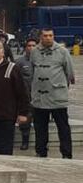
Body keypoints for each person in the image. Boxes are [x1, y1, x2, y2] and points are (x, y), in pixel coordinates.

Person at [30, 28, 75, 159]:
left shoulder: (62, 52)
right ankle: (41, 152)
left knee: (63, 127)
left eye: (51, 35)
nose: (48, 38)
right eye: (45, 36)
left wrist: (59, 86)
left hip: (57, 96)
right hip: (40, 97)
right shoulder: (34, 52)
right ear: (41, 37)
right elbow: (33, 71)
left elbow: (69, 73)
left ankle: (67, 154)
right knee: (40, 128)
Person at [14, 37, 37, 150]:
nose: (31, 48)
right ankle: (25, 142)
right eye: (29, 45)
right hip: (25, 98)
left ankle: (41, 144)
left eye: (34, 45)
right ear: (25, 47)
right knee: (25, 122)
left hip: (40, 97)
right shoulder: (19, 62)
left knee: (40, 122)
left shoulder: (42, 61)